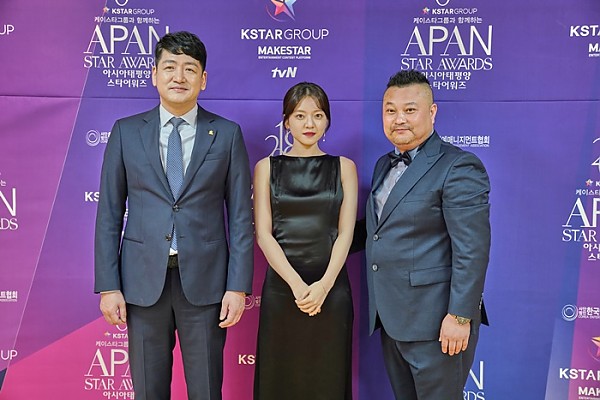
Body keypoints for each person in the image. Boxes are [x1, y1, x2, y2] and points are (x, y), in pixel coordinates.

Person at [94, 31, 254, 400]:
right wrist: (109, 285)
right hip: (142, 284)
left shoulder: (226, 135)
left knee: (206, 390)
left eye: (189, 69)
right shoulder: (126, 132)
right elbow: (109, 214)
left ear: (203, 79)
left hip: (206, 284)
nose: (179, 77)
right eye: (169, 67)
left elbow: (240, 219)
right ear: (154, 75)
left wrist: (237, 287)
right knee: (148, 391)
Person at [365, 69, 490, 400]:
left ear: (432, 112)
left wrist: (460, 316)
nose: (399, 119)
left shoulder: (458, 166)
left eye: (410, 109)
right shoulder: (383, 165)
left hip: (437, 324)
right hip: (392, 319)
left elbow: (471, 249)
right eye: (390, 110)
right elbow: (378, 231)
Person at [253, 82, 358, 400]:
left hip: (331, 288)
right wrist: (297, 286)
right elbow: (264, 235)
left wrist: (323, 286)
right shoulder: (266, 168)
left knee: (327, 377)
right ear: (286, 121)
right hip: (282, 289)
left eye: (318, 115)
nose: (309, 123)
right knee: (280, 378)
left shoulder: (344, 167)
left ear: (327, 120)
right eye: (300, 116)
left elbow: (346, 233)